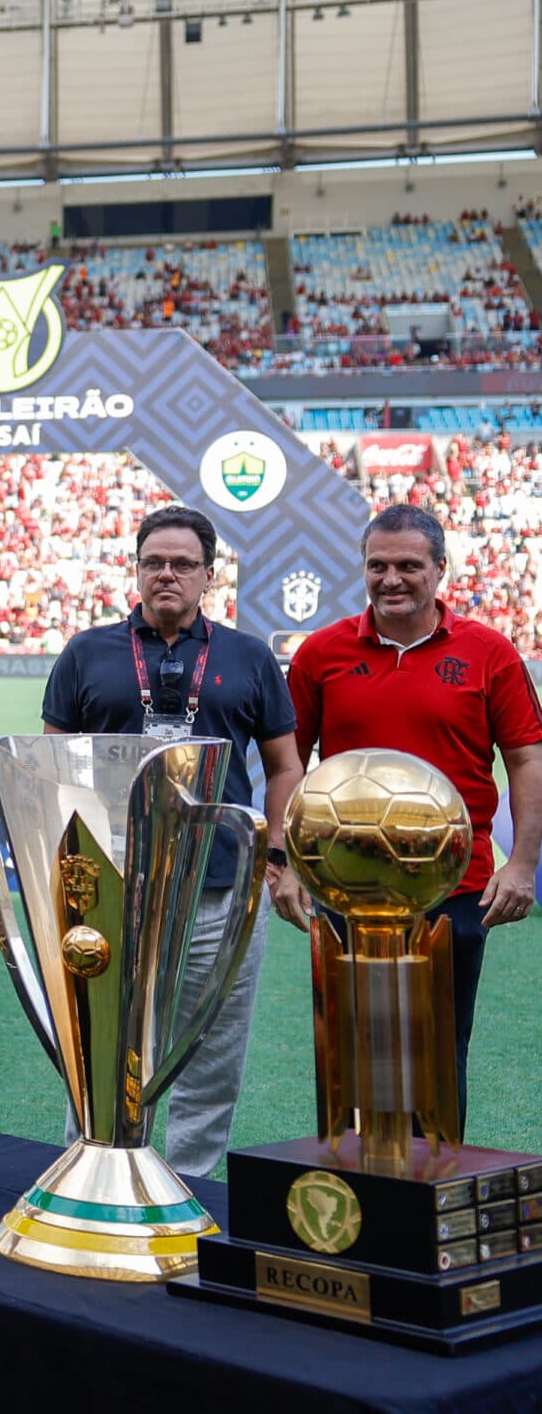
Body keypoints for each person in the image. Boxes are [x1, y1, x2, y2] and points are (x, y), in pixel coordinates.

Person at [38, 504, 305, 1176]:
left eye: (183, 564)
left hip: (219, 887)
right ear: (135, 570)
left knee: (208, 1051)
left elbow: (284, 765)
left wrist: (276, 857)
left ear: (207, 576)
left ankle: (185, 1185)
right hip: (111, 887)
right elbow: (51, 765)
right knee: (106, 1042)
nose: (167, 574)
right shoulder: (87, 653)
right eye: (154, 562)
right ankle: (93, 1172)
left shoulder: (247, 657)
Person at [283, 502, 542, 1117]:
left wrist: (523, 866)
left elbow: (527, 762)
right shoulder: (321, 653)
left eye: (408, 566)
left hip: (458, 885)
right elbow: (286, 765)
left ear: (440, 570)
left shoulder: (489, 652)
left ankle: (432, 1188)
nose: (391, 579)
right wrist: (287, 864)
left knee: (437, 1047)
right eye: (377, 566)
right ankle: (350, 1187)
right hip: (347, 885)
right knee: (348, 1050)